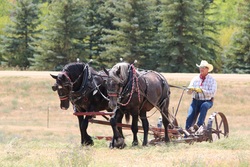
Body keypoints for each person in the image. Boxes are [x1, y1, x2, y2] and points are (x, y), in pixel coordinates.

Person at [185, 60, 217, 131]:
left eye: (203, 67)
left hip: (207, 101)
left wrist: (202, 91)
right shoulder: (195, 79)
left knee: (204, 106)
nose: (201, 69)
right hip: (195, 101)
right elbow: (188, 92)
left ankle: (199, 125)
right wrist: (190, 90)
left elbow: (213, 93)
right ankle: (187, 133)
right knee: (189, 116)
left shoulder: (212, 80)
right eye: (200, 67)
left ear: (207, 69)